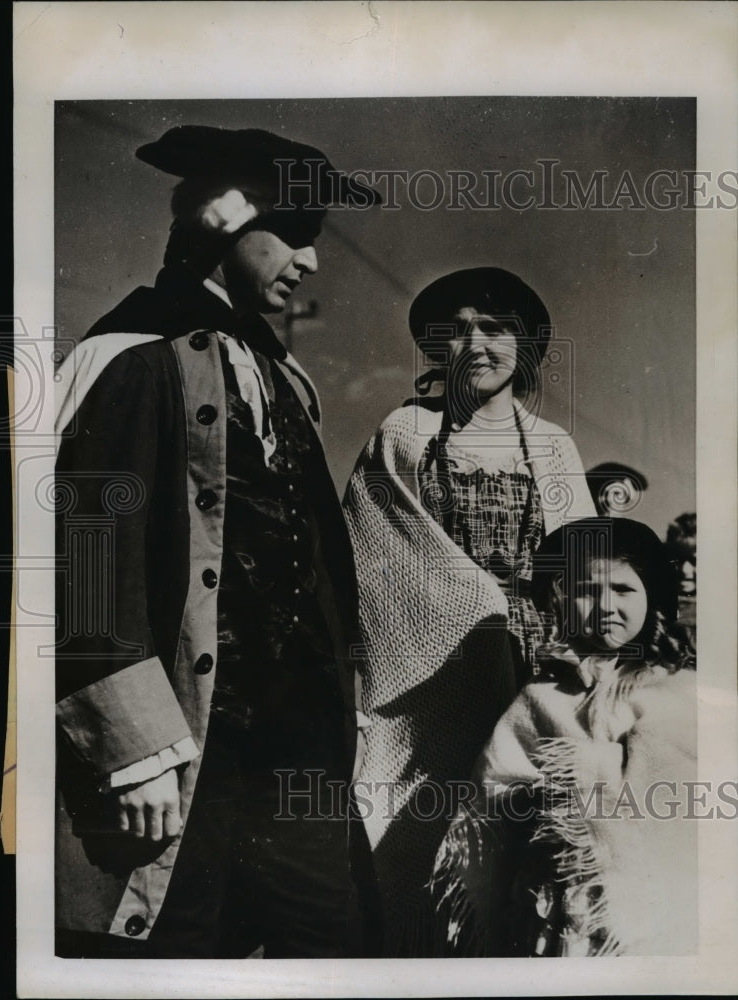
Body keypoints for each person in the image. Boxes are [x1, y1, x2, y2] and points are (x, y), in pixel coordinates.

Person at [54, 125, 382, 959]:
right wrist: (132, 749)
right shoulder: (134, 355)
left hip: (298, 738)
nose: (310, 263)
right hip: (189, 741)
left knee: (326, 942)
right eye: (295, 235)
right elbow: (88, 555)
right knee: (175, 943)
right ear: (222, 224)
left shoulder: (283, 377)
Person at [343, 267, 594, 954]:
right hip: (436, 681)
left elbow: (583, 569)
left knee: (525, 860)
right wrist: (473, 608)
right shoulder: (405, 433)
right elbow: (373, 556)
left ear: (525, 346)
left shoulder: (554, 447)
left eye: (493, 329)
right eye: (455, 333)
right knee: (421, 856)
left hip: (530, 681)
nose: (474, 345)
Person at [432, 517, 697, 957]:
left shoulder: (674, 689)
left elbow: (687, 792)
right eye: (586, 591)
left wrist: (591, 773)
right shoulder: (542, 699)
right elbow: (493, 791)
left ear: (653, 598)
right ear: (558, 602)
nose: (606, 605)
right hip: (558, 899)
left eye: (623, 590)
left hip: (656, 900)